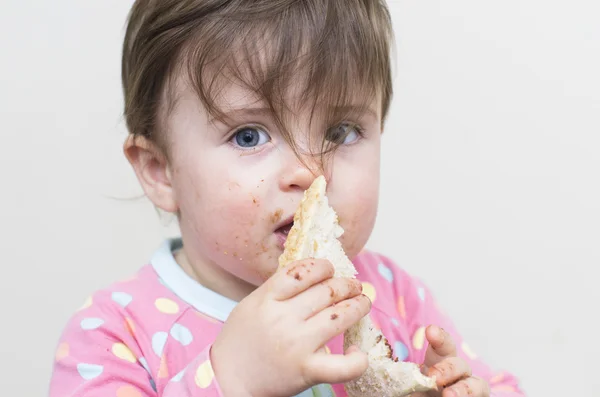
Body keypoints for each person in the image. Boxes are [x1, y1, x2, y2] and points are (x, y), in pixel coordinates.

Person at [49, 1, 525, 396]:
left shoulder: (393, 297)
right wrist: (232, 378)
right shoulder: (117, 333)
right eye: (249, 135)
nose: (310, 172)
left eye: (342, 131)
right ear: (161, 171)